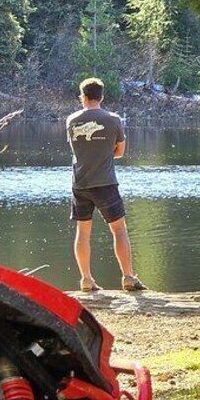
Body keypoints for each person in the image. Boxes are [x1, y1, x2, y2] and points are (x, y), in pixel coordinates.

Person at [66, 78, 147, 292]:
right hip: (105, 183)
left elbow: (78, 150)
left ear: (82, 97)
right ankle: (128, 278)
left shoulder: (71, 120)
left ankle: (86, 280)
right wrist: (106, 151)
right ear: (101, 96)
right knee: (119, 230)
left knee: (82, 231)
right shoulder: (113, 120)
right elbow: (119, 152)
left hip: (80, 183)